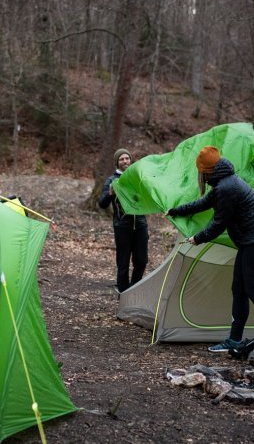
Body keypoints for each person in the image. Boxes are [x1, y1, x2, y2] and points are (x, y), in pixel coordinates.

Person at [167, 145, 254, 353]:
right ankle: (234, 340)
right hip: (247, 243)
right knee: (239, 290)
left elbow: (218, 224)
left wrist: (198, 238)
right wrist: (175, 211)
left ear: (206, 171)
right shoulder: (224, 183)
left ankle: (235, 340)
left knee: (251, 290)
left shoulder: (227, 188)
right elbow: (202, 203)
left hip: (252, 243)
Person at [99, 148, 149, 294]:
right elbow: (102, 204)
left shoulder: (137, 178)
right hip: (122, 227)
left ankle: (133, 290)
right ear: (117, 162)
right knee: (123, 263)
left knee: (141, 261)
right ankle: (124, 294)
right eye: (122, 159)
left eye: (127, 158)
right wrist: (109, 194)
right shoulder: (111, 180)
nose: (125, 161)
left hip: (140, 225)